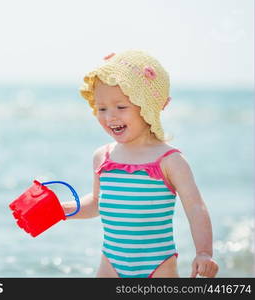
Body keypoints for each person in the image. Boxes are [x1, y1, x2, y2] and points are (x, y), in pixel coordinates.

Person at [61, 50, 219, 278]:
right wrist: (63, 210)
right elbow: (97, 203)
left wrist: (204, 252)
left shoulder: (170, 161)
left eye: (121, 107)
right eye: (102, 108)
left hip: (158, 266)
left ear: (147, 107)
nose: (109, 116)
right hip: (111, 263)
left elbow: (196, 208)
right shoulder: (102, 157)